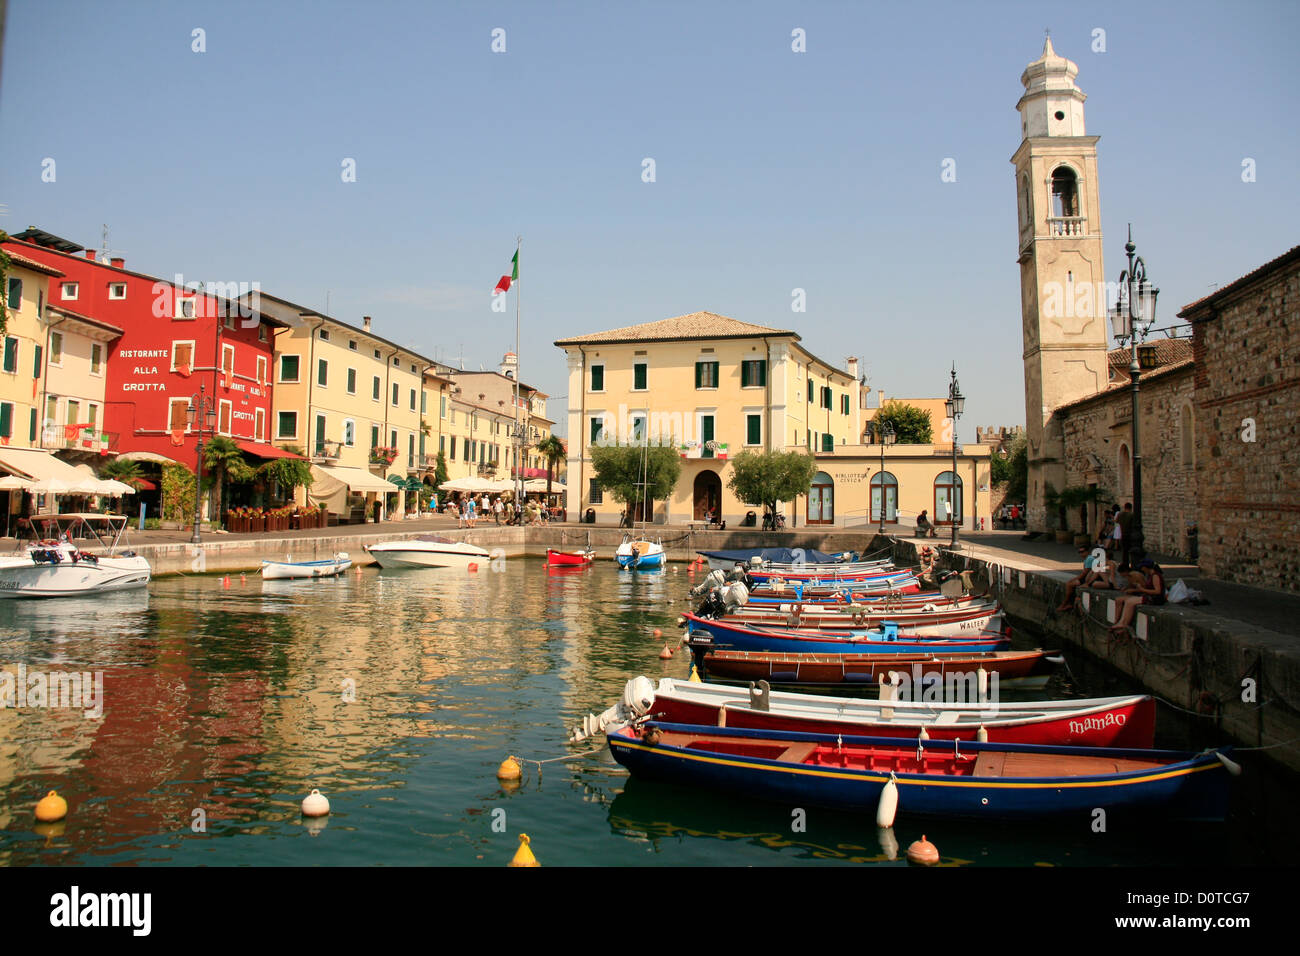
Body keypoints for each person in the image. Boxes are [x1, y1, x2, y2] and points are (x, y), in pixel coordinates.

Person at [1111, 558, 1166, 633]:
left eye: (1143, 567)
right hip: (1150, 596)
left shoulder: (1155, 576)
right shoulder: (1151, 575)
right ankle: (1121, 622)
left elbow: (1157, 591)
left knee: (1130, 602)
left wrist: (1142, 589)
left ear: (1146, 567)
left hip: (1155, 599)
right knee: (1129, 601)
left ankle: (1124, 623)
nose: (1142, 569)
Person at [1055, 546, 1104, 611]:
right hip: (1088, 577)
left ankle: (1065, 604)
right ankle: (1068, 603)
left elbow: (1085, 573)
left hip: (1090, 578)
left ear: (1087, 552)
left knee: (1069, 584)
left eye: (1082, 552)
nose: (1081, 554)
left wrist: (1074, 579)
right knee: (1070, 584)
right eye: (1079, 552)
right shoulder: (1088, 559)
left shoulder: (1089, 559)